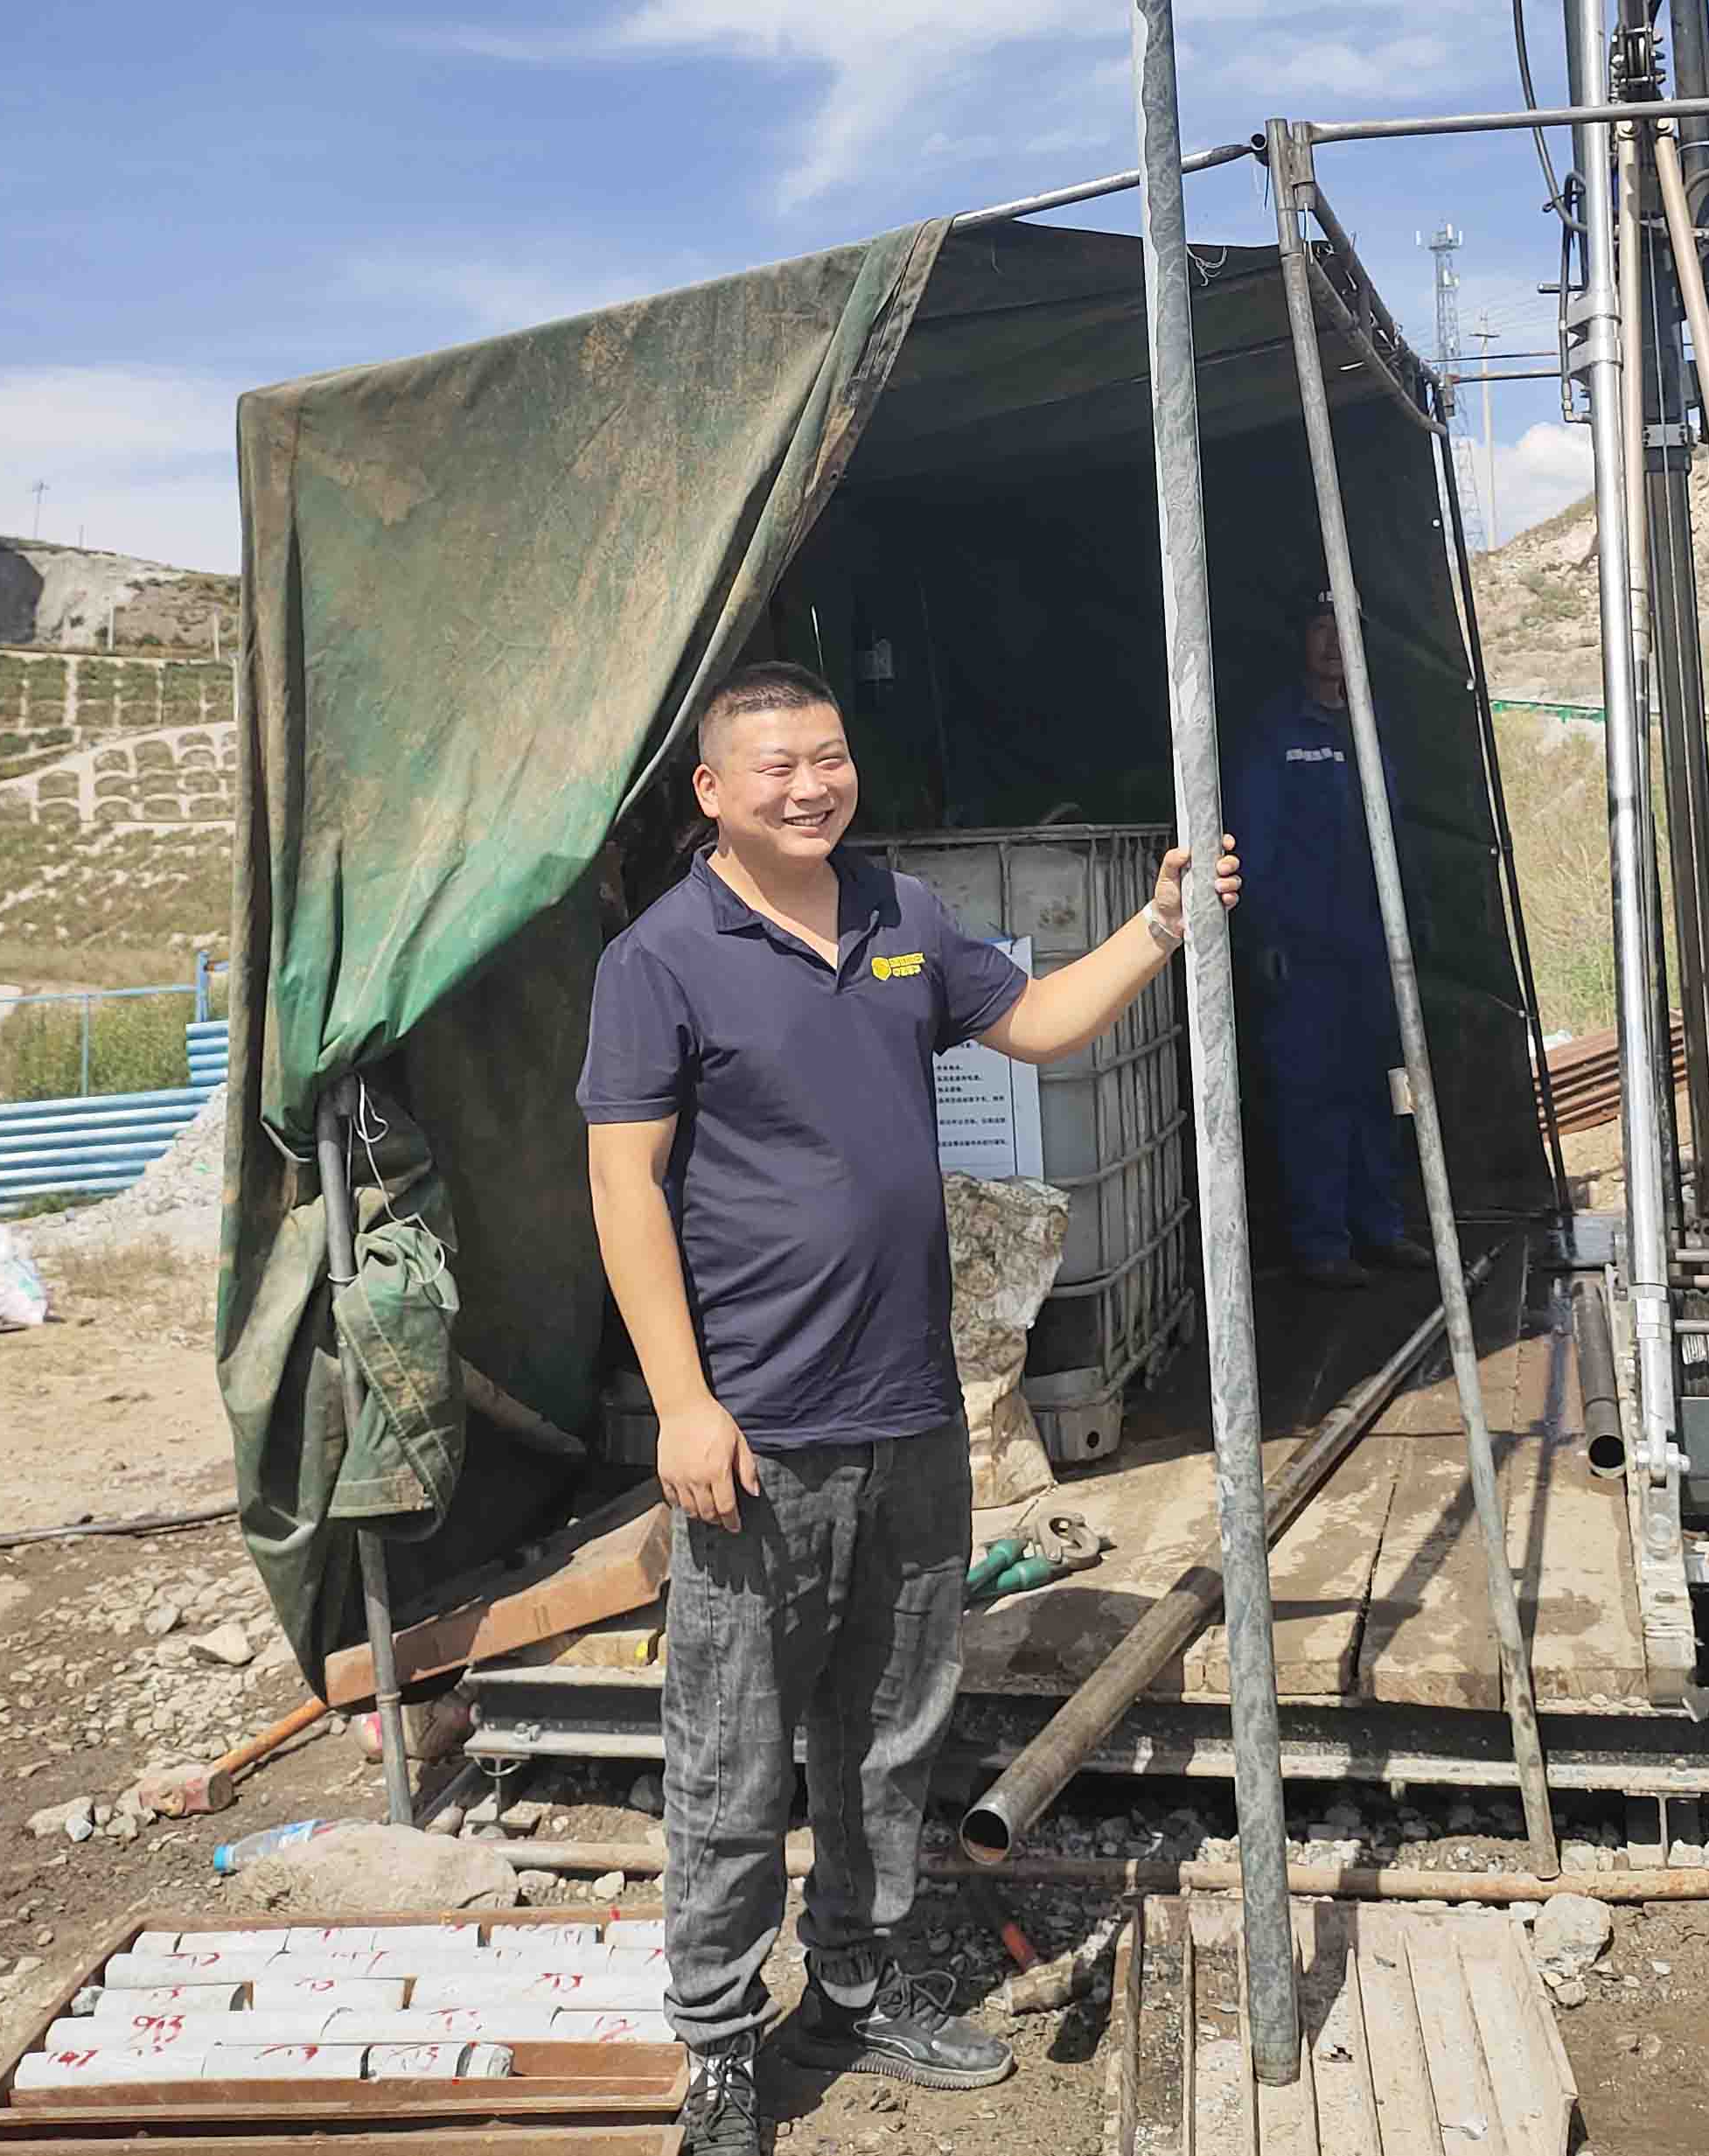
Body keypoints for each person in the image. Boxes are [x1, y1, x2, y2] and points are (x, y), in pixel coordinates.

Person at [578, 660, 1239, 2156]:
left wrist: (1155, 926)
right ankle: (720, 2040)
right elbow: (623, 1187)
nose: (810, 785)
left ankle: (855, 1990)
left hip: (911, 1409)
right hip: (756, 1431)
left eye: (828, 757)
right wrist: (682, 1403)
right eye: (775, 766)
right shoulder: (661, 959)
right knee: (733, 1750)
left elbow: (1042, 1024)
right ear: (712, 792)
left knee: (889, 1730)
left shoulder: (901, 915)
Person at [1228, 594, 1434, 1288]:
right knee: (1310, 1096)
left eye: (1341, 629)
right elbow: (1253, 845)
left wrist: (1416, 919)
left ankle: (1383, 1228)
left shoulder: (1369, 727)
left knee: (1386, 1090)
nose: (1331, 643)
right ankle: (1321, 1243)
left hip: (1374, 953)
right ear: (1301, 639)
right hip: (1306, 958)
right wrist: (1264, 937)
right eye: (1319, 628)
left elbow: (1395, 834)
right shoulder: (1277, 733)